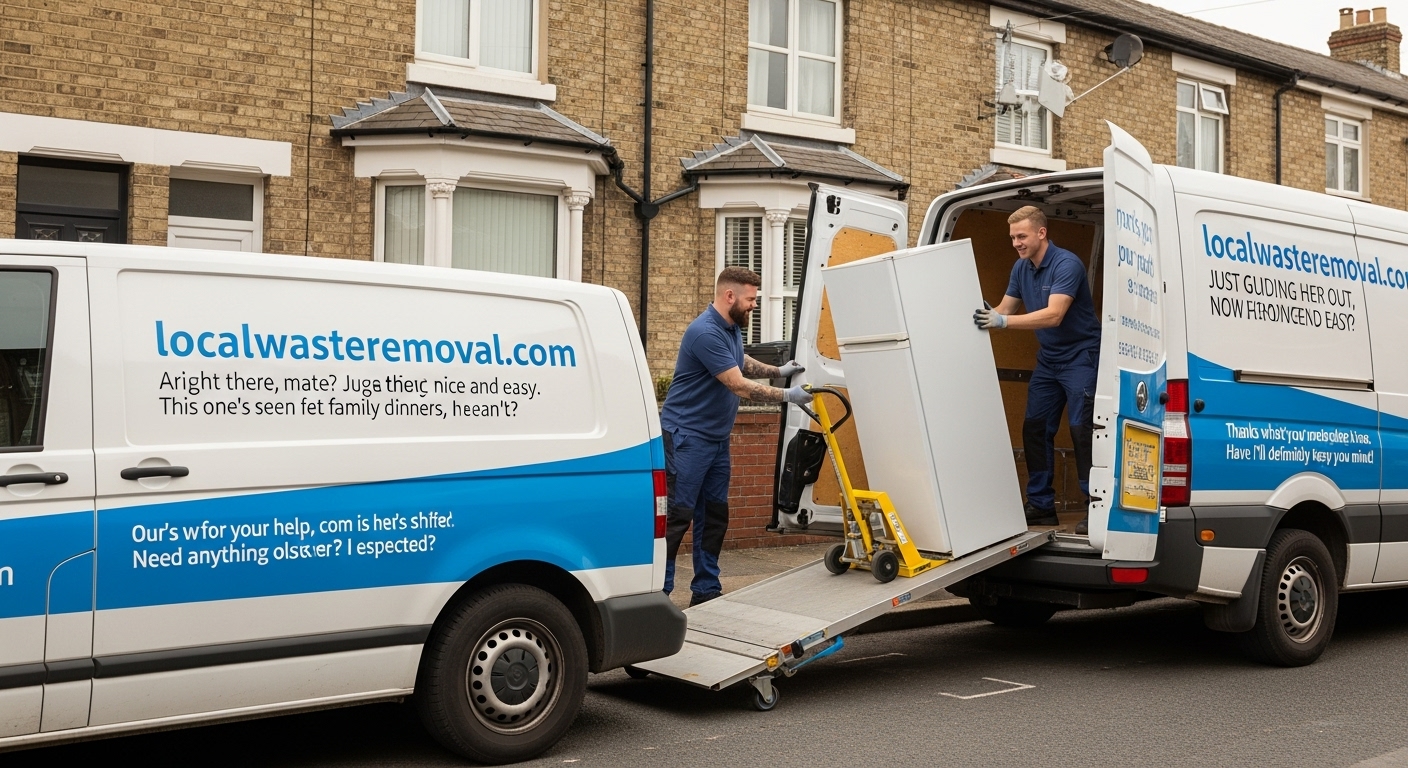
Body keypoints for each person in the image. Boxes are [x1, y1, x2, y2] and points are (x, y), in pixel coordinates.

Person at [659, 266, 812, 606]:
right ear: (730, 296)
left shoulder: (730, 327)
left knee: (714, 517)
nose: (754, 305)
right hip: (687, 438)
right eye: (751, 299)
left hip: (715, 440)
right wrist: (788, 396)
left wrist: (778, 372)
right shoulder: (704, 331)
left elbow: (740, 361)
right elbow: (737, 384)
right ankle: (660, 592)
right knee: (677, 517)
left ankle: (706, 590)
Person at [973, 206, 1101, 535]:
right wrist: (980, 312)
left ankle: (1095, 507)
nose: (1016, 242)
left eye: (1022, 236)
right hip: (1050, 359)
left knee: (1081, 429)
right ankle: (1041, 505)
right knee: (1034, 427)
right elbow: (1003, 309)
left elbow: (1053, 315)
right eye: (1013, 237)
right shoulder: (1021, 268)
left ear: (1041, 234)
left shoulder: (1066, 264)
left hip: (1080, 357)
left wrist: (1003, 322)